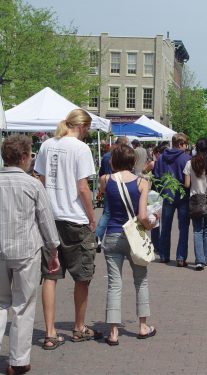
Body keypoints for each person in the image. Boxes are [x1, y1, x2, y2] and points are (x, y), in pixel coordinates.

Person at [34, 109, 102, 345]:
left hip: (50, 217)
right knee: (83, 275)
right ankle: (79, 326)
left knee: (50, 275)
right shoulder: (81, 149)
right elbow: (83, 187)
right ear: (83, 126)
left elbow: (40, 180)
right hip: (74, 218)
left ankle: (50, 332)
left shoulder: (47, 145)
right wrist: (92, 217)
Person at [0, 135, 60, 375]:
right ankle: (18, 361)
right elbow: (46, 220)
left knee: (0, 302)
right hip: (26, 250)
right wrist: (53, 249)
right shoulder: (33, 185)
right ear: (24, 157)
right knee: (23, 306)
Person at [99, 144, 157, 345]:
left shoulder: (105, 180)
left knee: (114, 284)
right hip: (133, 238)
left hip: (113, 235)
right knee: (141, 281)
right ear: (133, 162)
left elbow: (105, 203)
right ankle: (142, 326)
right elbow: (142, 216)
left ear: (112, 161)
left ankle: (113, 332)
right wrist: (153, 219)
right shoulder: (142, 182)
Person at [183, 139, 207, 270]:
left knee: (197, 230)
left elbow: (187, 185)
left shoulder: (190, 163)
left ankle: (199, 260)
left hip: (195, 200)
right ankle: (204, 259)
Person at [153, 133, 191, 266]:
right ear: (180, 144)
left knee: (166, 226)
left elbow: (156, 176)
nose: (186, 147)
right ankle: (180, 257)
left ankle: (163, 255)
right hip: (183, 195)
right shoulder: (186, 159)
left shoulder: (161, 158)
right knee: (183, 227)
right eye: (185, 145)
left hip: (167, 194)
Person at [96, 136, 129, 243]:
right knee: (119, 213)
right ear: (123, 144)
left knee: (107, 213)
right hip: (119, 185)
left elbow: (101, 173)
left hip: (107, 185)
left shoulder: (106, 156)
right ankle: (120, 239)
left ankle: (98, 238)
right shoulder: (121, 156)